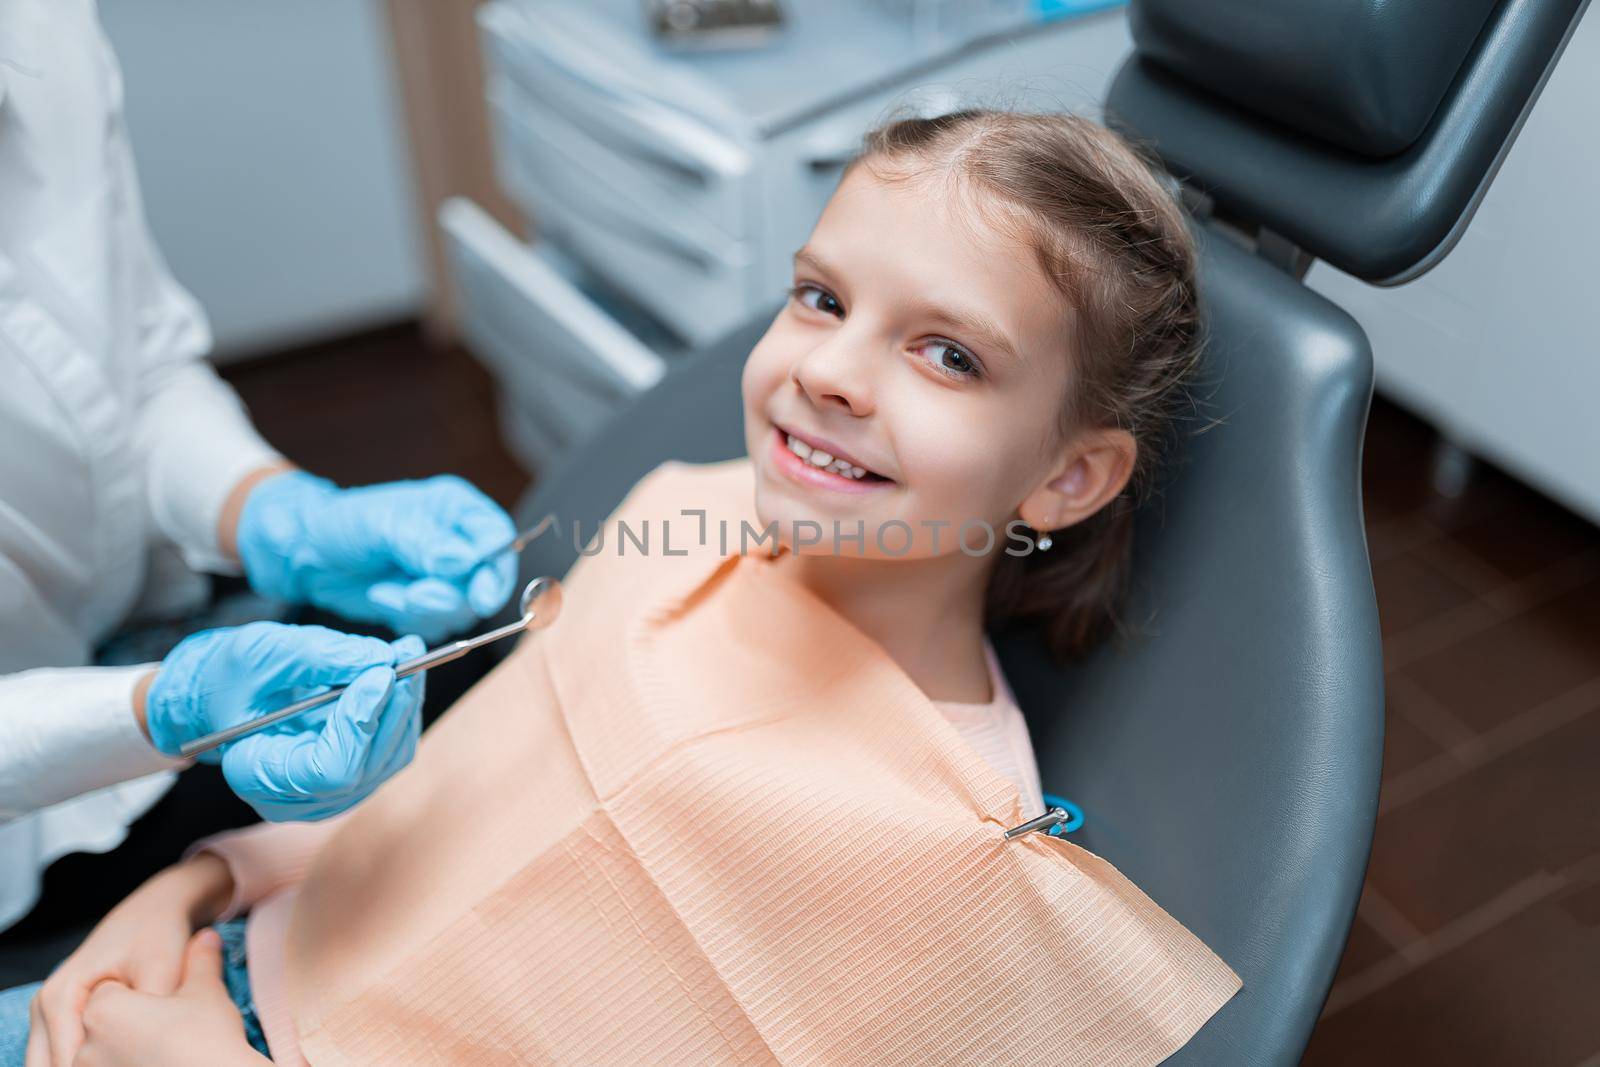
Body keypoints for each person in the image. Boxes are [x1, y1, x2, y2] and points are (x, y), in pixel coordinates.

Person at [0, 109, 1242, 1066]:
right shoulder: (684, 513)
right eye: (821, 297)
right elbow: (433, 810)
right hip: (186, 972)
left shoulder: (947, 862)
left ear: (1069, 476)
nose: (833, 372)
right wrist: (193, 885)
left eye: (949, 353)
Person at [0, 0, 518, 938]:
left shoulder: (36, 27)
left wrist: (275, 509)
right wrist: (159, 711)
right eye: (817, 298)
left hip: (125, 637)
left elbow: (137, 365)